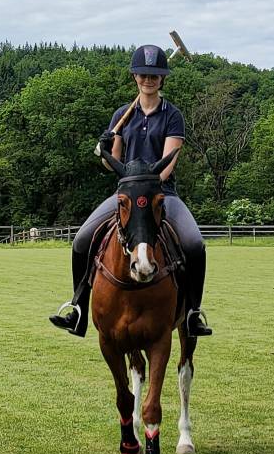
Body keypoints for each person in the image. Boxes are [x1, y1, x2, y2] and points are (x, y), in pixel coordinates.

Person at [49, 44, 212, 339]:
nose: (148, 80)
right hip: (123, 197)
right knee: (82, 240)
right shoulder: (122, 114)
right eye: (143, 75)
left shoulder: (172, 116)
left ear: (162, 79)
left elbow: (168, 163)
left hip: (163, 195)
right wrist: (105, 148)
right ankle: (78, 310)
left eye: (154, 75)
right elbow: (112, 165)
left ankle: (192, 313)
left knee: (193, 243)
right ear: (135, 77)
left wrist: (147, 186)